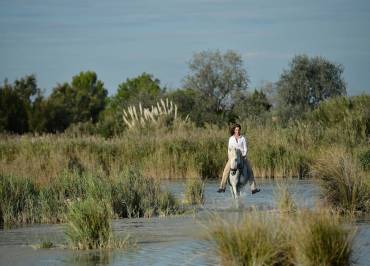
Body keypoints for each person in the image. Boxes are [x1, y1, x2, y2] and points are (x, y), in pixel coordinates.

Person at [217, 123, 260, 194]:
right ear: (234, 130)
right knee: (225, 170)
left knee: (250, 170)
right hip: (233, 157)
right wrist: (230, 158)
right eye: (236, 130)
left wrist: (244, 155)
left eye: (239, 130)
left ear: (240, 130)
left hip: (242, 156)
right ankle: (222, 187)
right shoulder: (231, 139)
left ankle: (253, 188)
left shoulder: (243, 138)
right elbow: (229, 149)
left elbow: (245, 148)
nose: (237, 131)